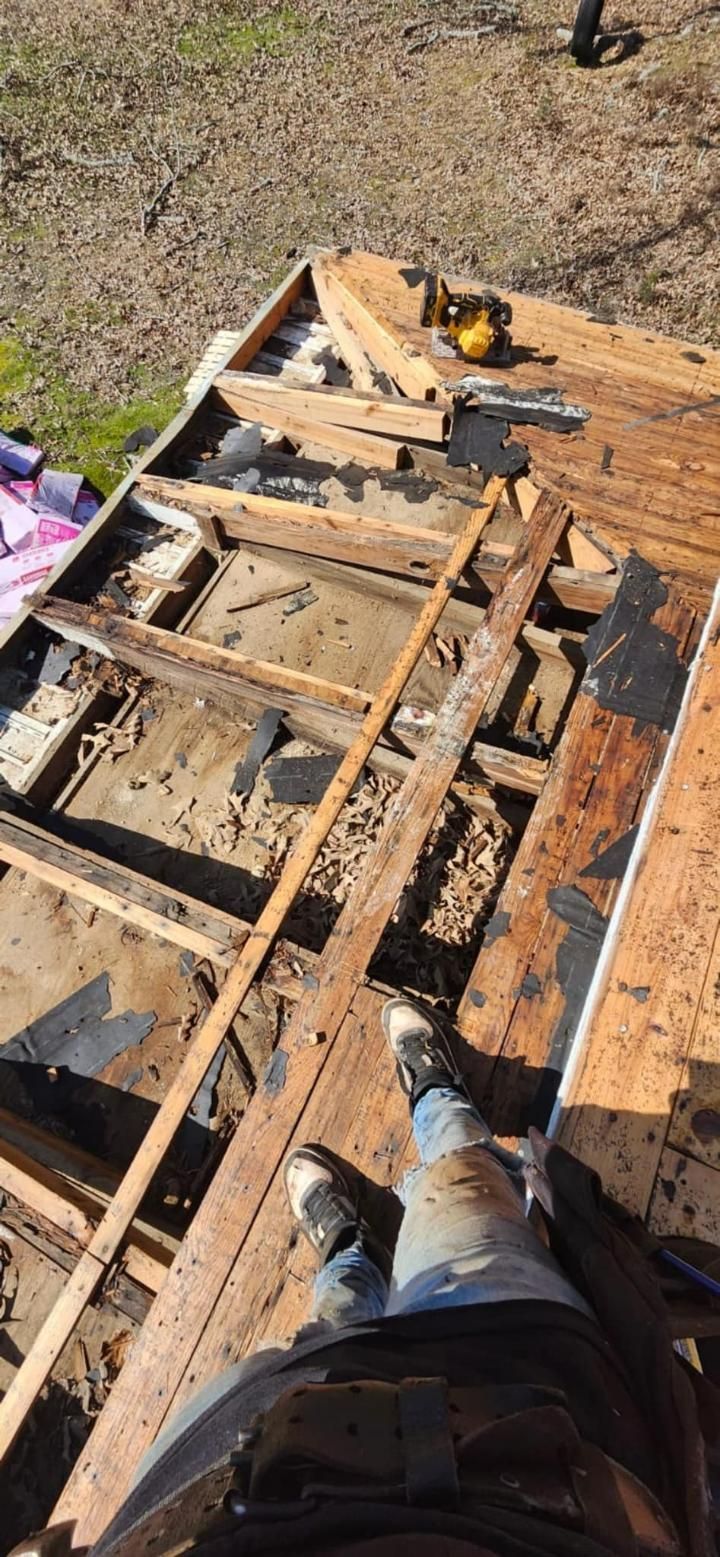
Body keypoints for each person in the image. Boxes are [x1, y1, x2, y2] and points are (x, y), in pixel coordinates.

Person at [24, 1002, 718, 1557]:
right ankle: (442, 1111)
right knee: (464, 1189)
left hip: (241, 1440)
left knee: (328, 1325)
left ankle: (354, 1250)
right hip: (518, 1392)